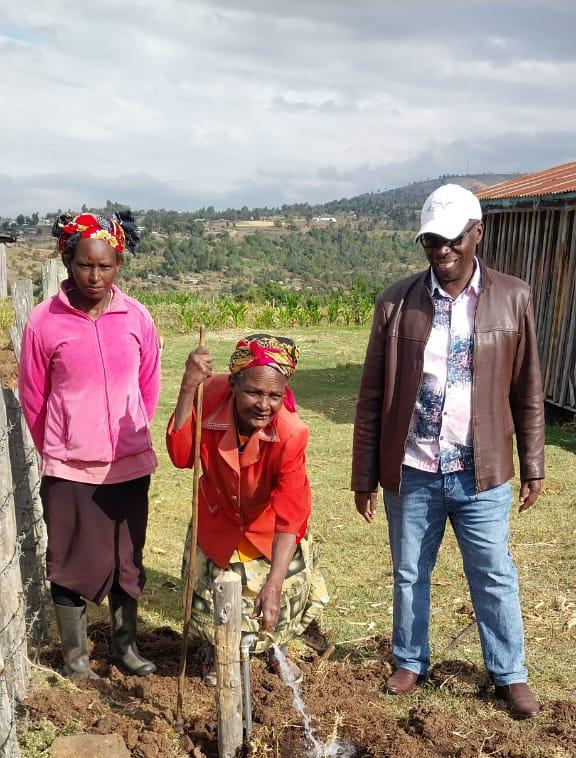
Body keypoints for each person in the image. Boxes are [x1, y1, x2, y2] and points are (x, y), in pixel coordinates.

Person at [352, 183, 545, 719]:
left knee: (493, 573)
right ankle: (410, 660)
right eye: (431, 241)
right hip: (413, 468)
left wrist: (533, 464)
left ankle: (509, 674)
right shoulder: (396, 302)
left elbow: (527, 389)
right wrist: (364, 475)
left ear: (477, 233)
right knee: (410, 572)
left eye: (453, 239)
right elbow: (372, 396)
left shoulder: (513, 297)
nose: (442, 250)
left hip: (481, 471)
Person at [19, 210, 161, 680]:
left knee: (127, 559)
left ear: (118, 265)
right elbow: (35, 399)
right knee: (69, 560)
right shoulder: (44, 322)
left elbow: (147, 387)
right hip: (69, 467)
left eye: (105, 266)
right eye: (85, 264)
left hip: (128, 465)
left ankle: (126, 648)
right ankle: (77, 661)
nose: (95, 276)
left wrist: (129, 436)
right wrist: (63, 444)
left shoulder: (136, 317)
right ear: (68, 261)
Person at [166, 333, 328, 683]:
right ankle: (216, 650)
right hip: (218, 518)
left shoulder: (291, 433)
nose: (264, 405)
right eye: (253, 392)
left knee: (275, 601)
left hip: (269, 529)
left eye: (274, 395)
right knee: (213, 600)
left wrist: (274, 583)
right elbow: (181, 456)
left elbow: (290, 516)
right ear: (233, 384)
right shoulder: (207, 397)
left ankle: (276, 648)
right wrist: (187, 388)